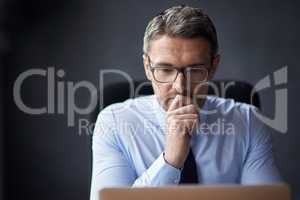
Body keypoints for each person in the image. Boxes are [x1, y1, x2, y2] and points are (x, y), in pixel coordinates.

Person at [90, 5, 281, 200]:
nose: (180, 86)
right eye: (165, 69)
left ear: (214, 66)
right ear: (147, 67)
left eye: (195, 70)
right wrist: (171, 160)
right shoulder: (113, 122)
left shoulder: (248, 122)